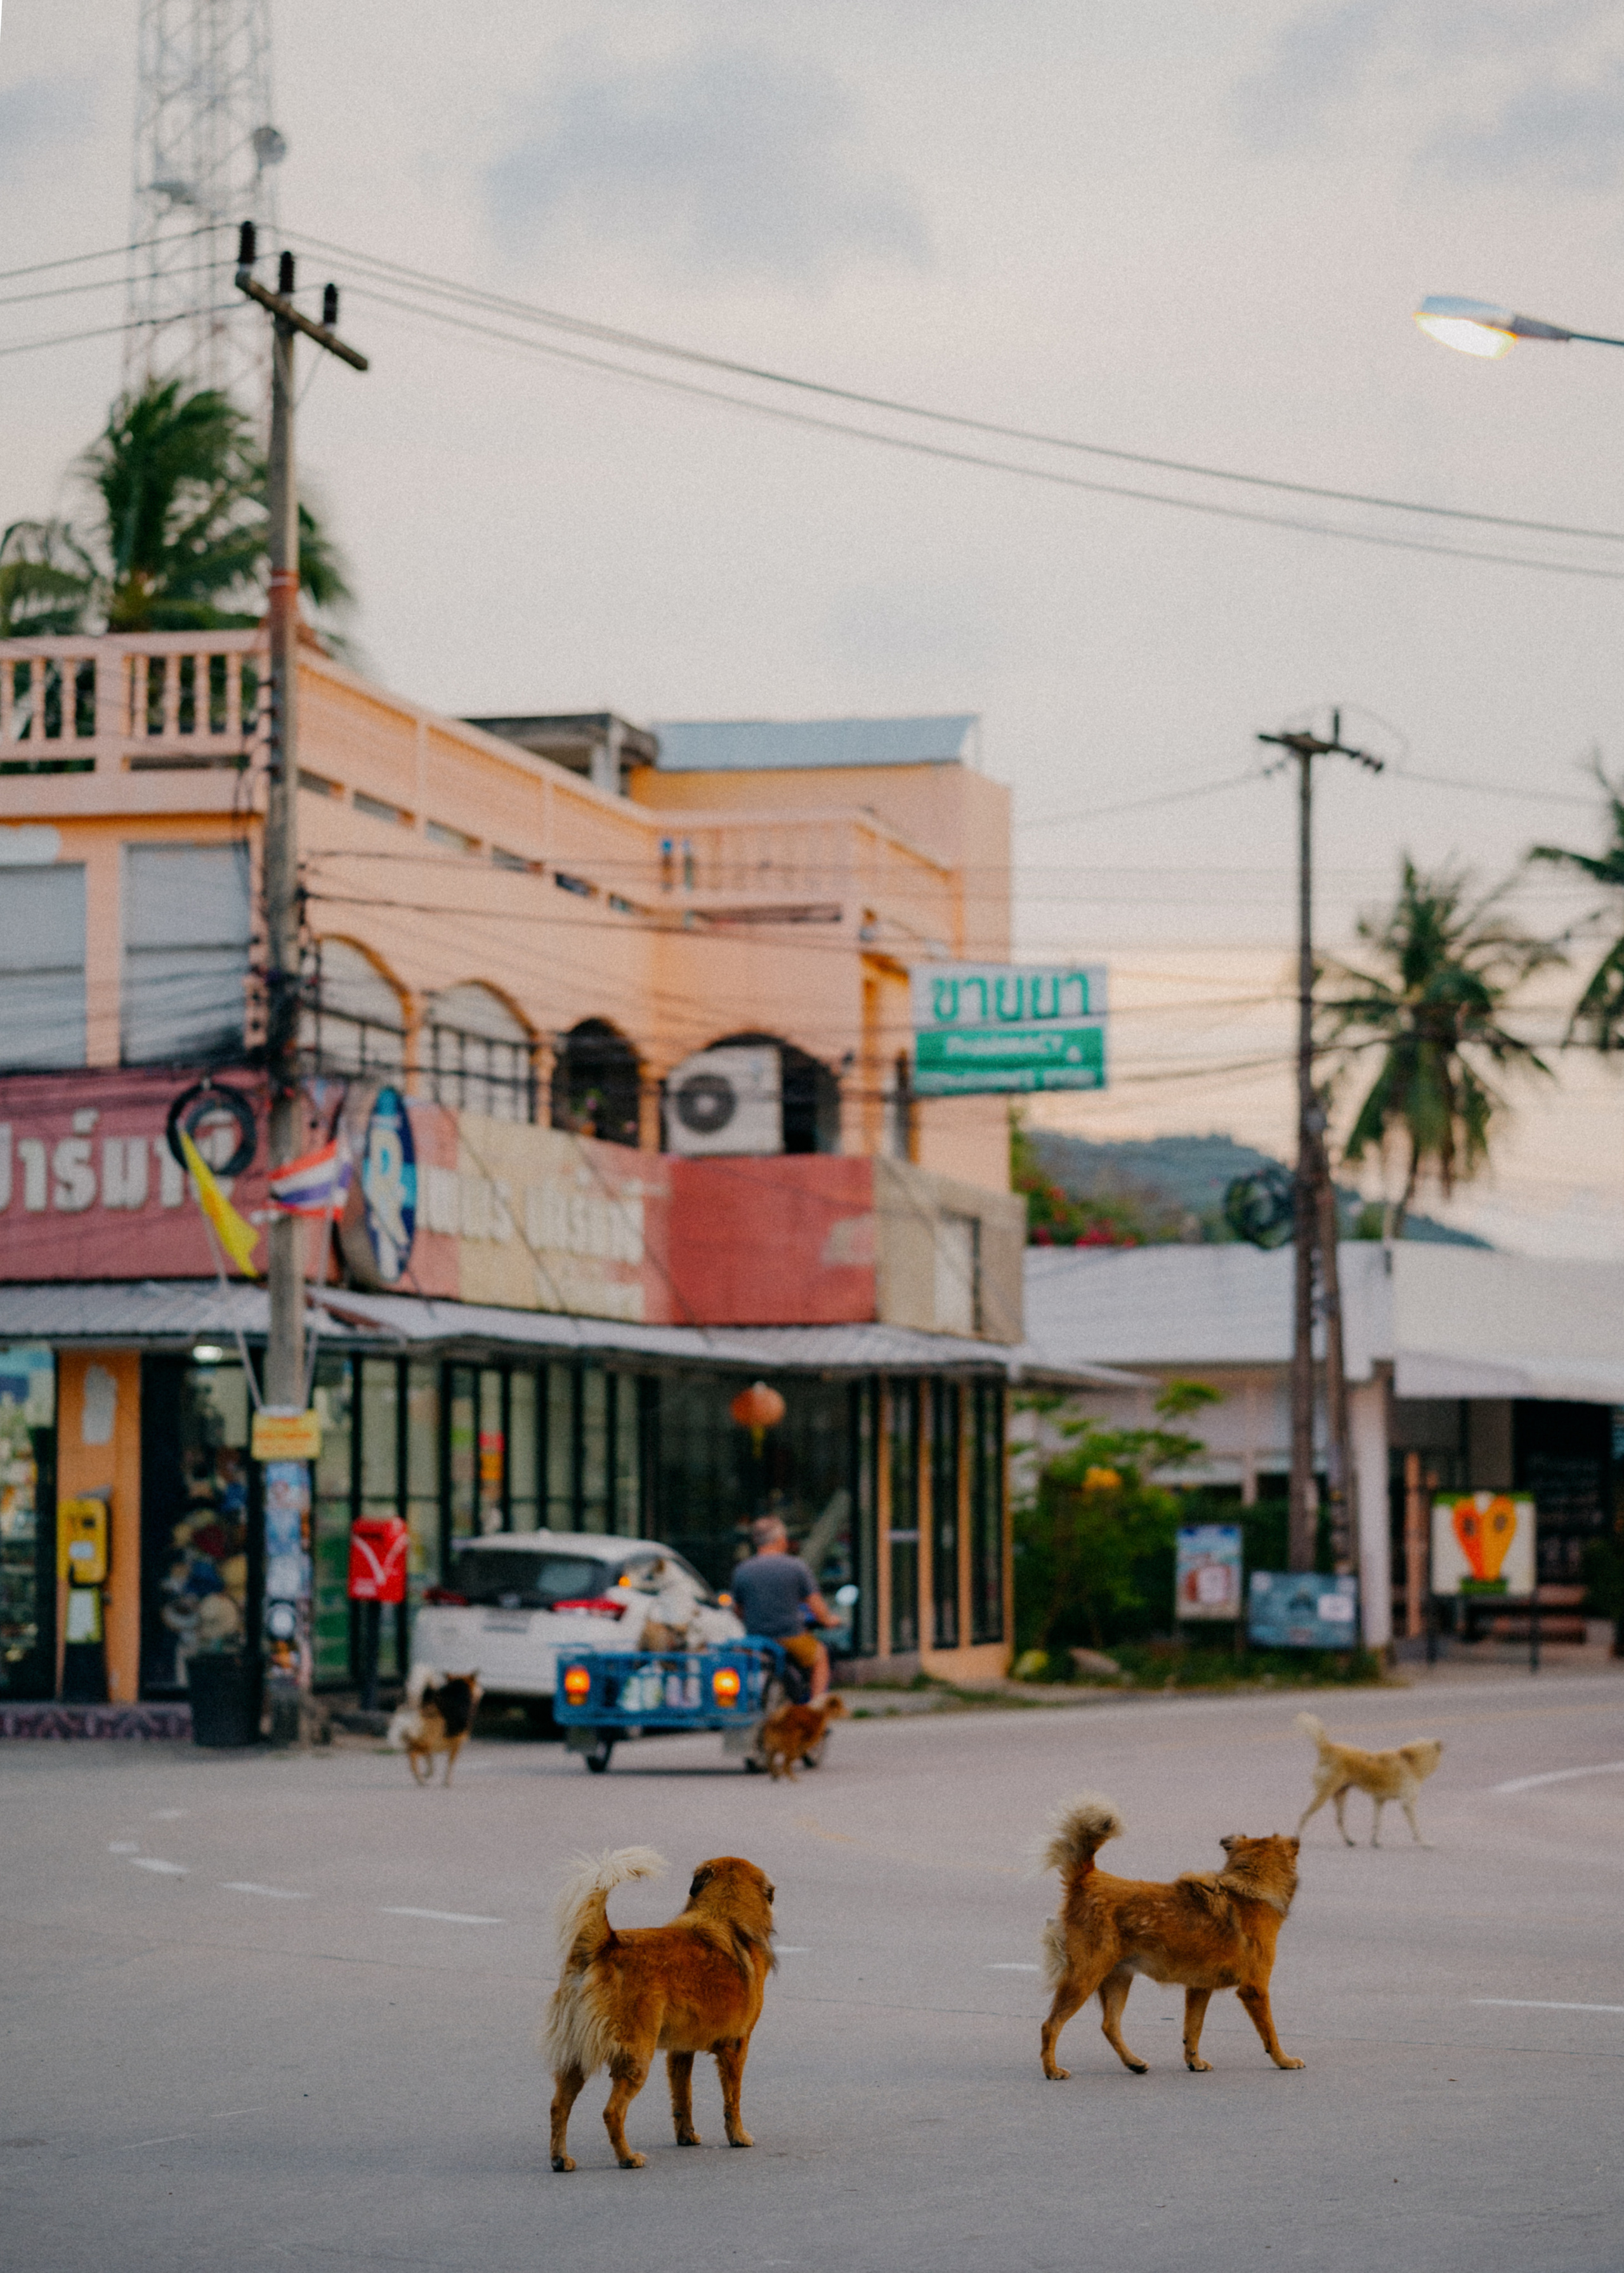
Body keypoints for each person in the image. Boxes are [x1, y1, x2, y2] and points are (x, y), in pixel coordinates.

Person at [730, 1516, 841, 1698]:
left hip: (756, 1639)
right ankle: (814, 1711)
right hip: (791, 1636)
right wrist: (829, 1620)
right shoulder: (796, 1567)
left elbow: (738, 1611)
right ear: (781, 1540)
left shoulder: (742, 1570)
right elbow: (818, 1608)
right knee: (821, 1657)